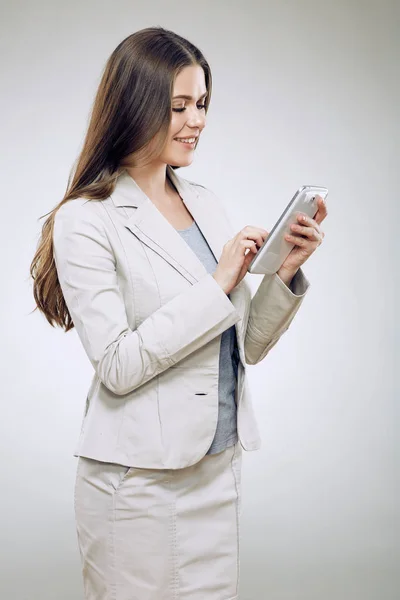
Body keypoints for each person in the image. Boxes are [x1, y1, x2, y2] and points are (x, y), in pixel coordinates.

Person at [30, 26, 327, 600]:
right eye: (180, 106)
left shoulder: (206, 203)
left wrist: (284, 271)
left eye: (203, 103)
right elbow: (118, 364)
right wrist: (218, 283)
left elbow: (246, 346)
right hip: (137, 486)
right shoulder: (86, 220)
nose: (198, 119)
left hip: (216, 474)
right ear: (136, 106)